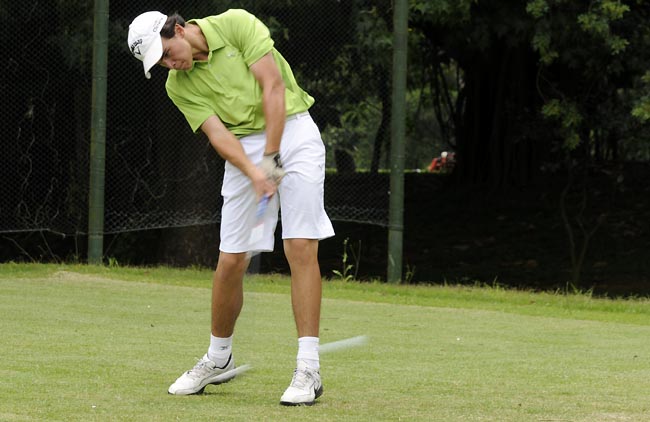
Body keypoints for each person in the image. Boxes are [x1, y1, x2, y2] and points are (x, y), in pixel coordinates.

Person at [127, 9, 335, 406]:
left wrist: (272, 160)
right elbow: (217, 134)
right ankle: (219, 358)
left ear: (180, 29)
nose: (171, 64)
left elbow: (273, 88)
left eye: (168, 52)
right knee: (230, 260)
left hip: (292, 129)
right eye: (162, 62)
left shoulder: (236, 24)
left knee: (300, 245)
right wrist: (254, 172)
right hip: (244, 145)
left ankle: (308, 368)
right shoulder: (177, 85)